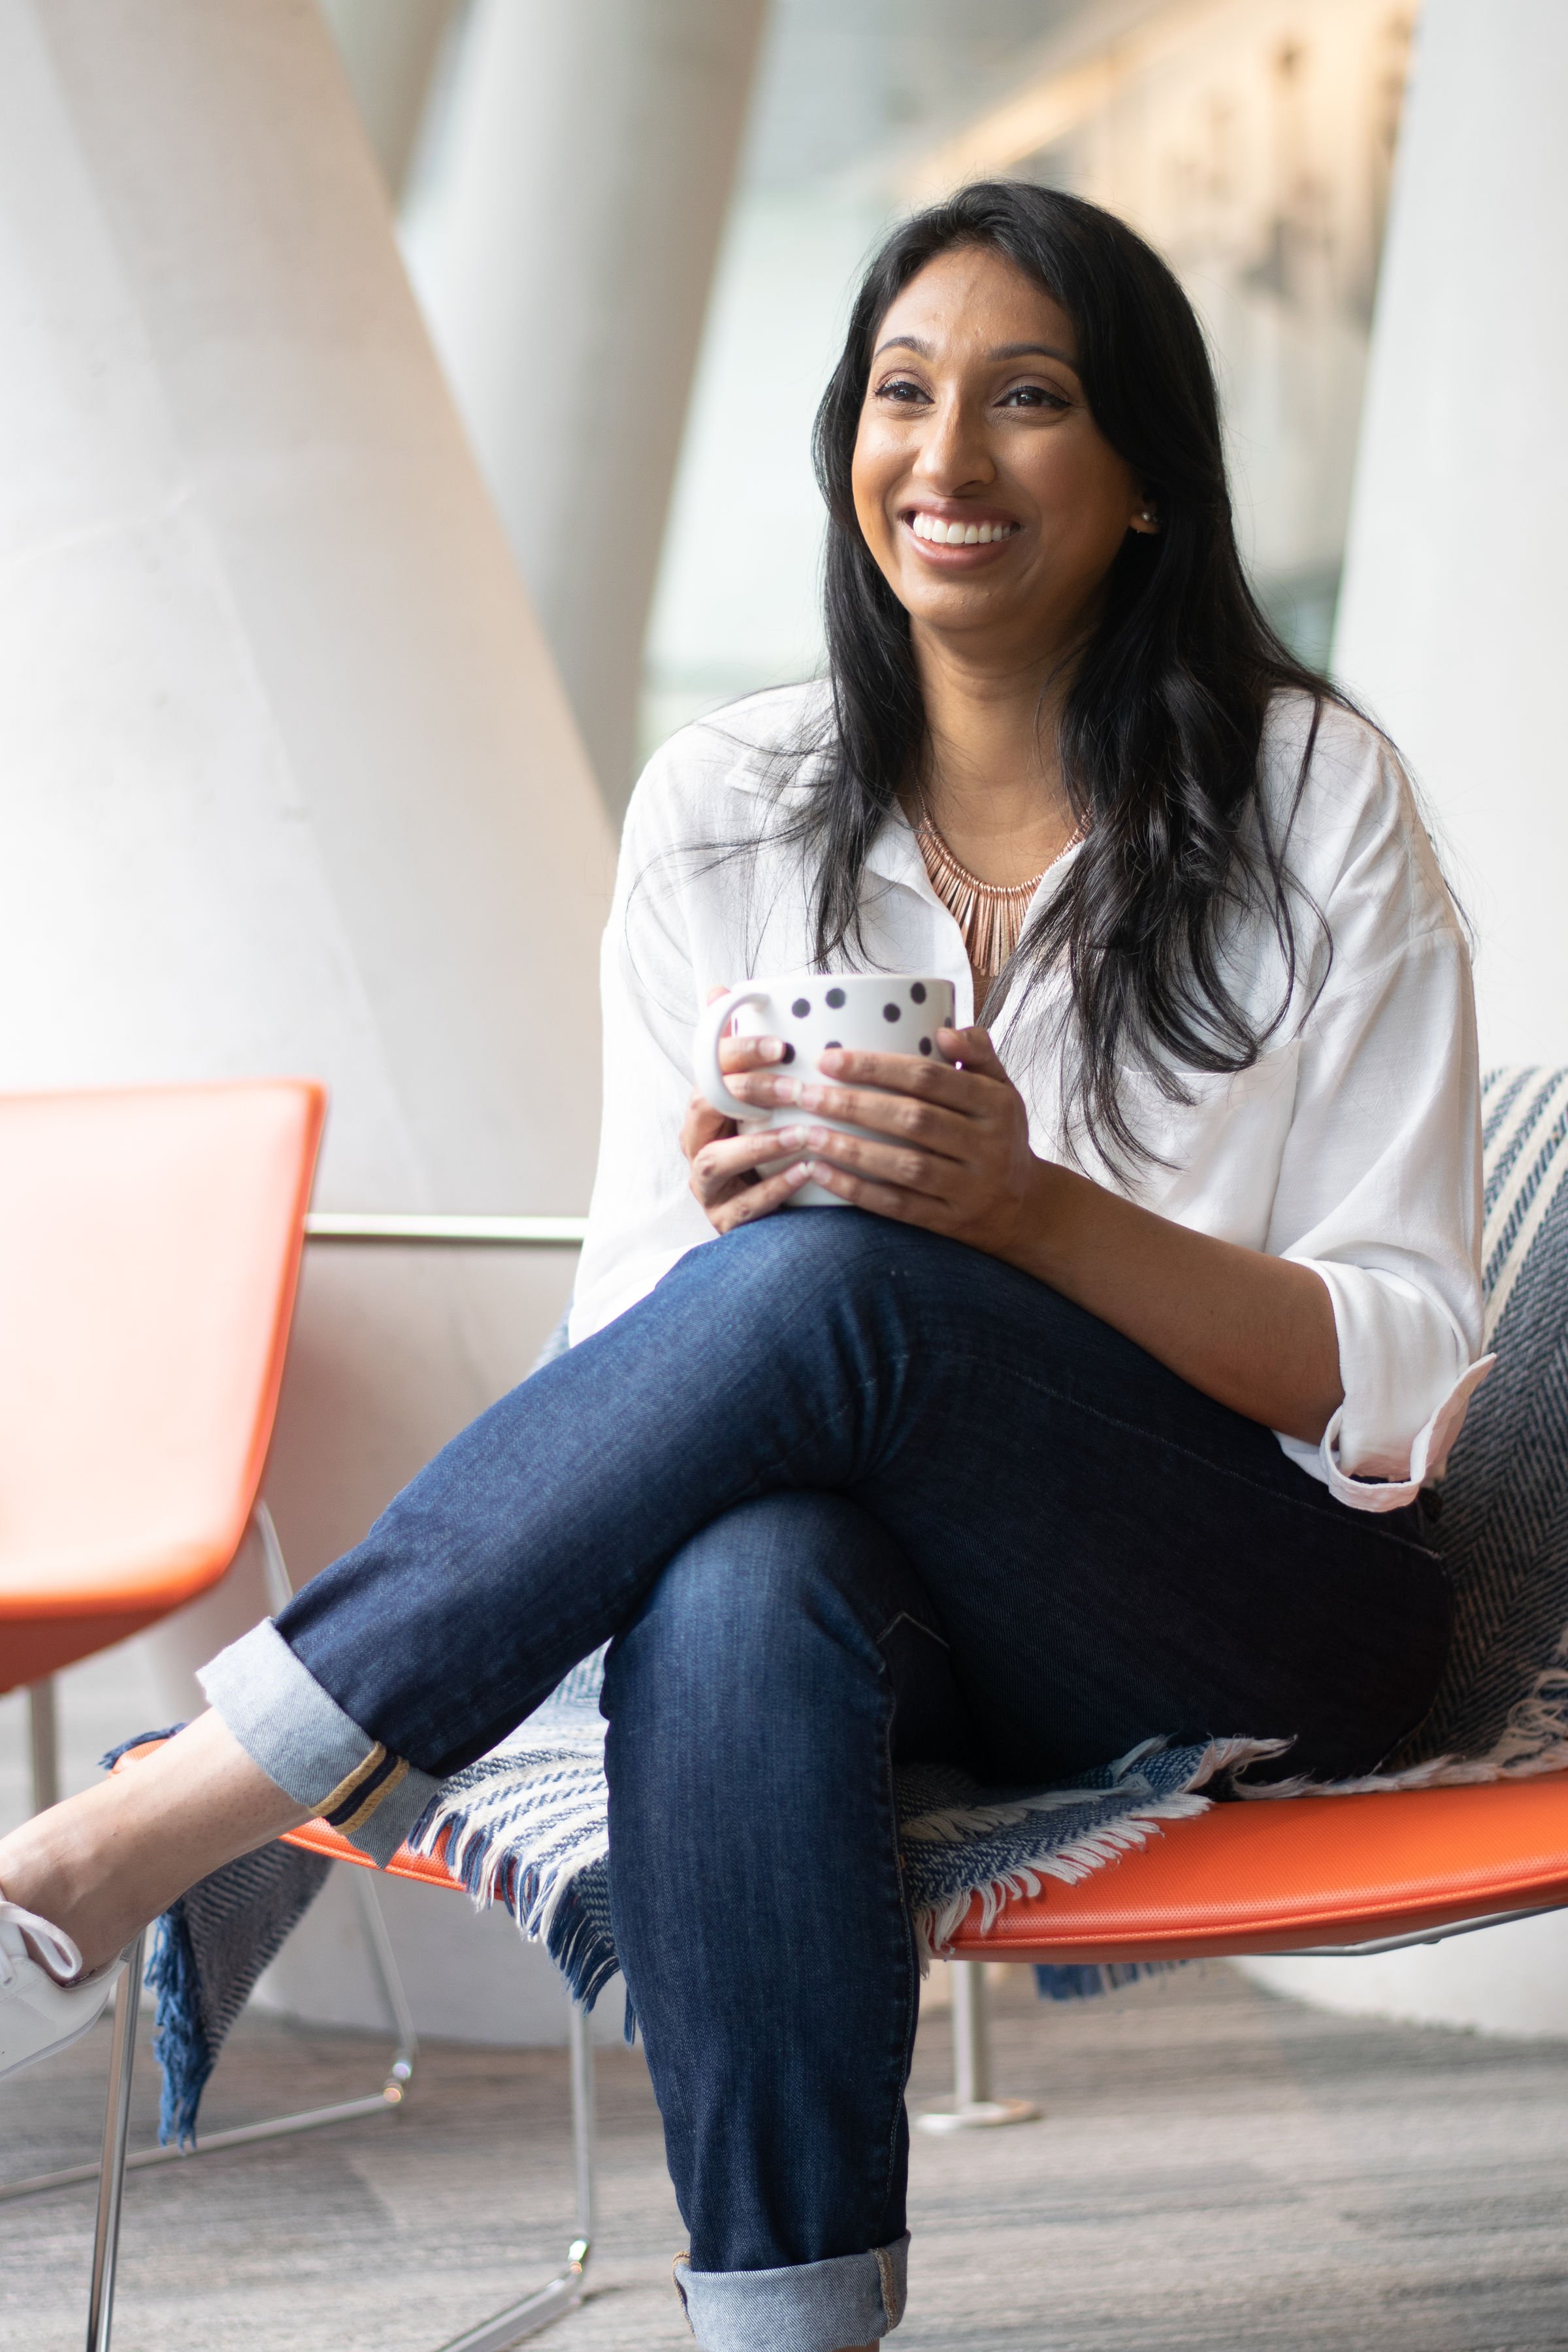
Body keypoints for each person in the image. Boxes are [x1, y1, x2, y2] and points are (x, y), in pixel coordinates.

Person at [0, 184, 1486, 2352]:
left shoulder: (1308, 797)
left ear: (1151, 477)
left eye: (1032, 400)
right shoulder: (722, 807)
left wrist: (1024, 1218)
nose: (947, 458)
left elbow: (1406, 1372)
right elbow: (633, 1352)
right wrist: (735, 1244)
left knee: (847, 1298)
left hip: (1255, 1603)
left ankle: (183, 1809)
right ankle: (781, 2327)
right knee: (735, 1575)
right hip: (893, 1588)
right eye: (901, 393)